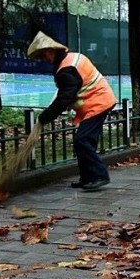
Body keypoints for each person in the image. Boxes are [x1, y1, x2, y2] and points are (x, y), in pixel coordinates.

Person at [27, 31, 117, 192]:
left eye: (43, 56)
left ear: (51, 51)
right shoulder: (72, 59)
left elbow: (64, 98)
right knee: (85, 141)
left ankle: (99, 176)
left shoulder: (66, 69)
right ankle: (88, 178)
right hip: (98, 100)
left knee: (81, 140)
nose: (44, 60)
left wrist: (45, 117)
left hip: (98, 103)